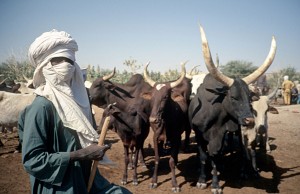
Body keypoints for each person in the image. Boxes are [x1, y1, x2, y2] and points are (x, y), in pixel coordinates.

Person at [18, 29, 131, 194]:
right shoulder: (41, 107)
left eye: (69, 61)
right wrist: (80, 154)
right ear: (44, 65)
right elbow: (32, 161)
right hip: (59, 186)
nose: (65, 66)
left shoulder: (80, 102)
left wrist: (95, 147)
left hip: (88, 179)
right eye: (57, 60)